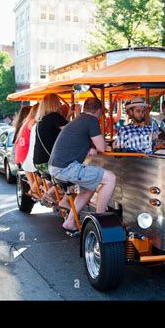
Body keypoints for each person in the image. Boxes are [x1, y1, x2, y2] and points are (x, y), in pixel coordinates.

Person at [49, 97, 116, 235]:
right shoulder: (91, 120)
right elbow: (102, 147)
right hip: (66, 167)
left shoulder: (78, 120)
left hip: (57, 166)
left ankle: (69, 222)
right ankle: (100, 222)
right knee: (110, 178)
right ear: (98, 111)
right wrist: (95, 146)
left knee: (89, 187)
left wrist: (91, 146)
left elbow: (85, 142)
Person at [34, 94, 69, 204]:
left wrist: (69, 115)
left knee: (66, 176)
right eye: (58, 101)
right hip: (48, 161)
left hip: (39, 161)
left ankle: (63, 201)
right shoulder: (54, 116)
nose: (60, 104)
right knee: (74, 175)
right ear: (54, 104)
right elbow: (71, 131)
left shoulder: (42, 120)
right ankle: (50, 195)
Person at [15, 103, 40, 197]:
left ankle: (35, 192)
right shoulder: (34, 121)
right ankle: (34, 191)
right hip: (26, 153)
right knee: (42, 173)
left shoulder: (26, 121)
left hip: (20, 153)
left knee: (32, 180)